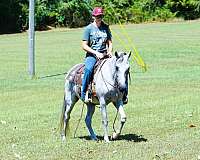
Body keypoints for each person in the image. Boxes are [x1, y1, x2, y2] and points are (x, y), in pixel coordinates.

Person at [81, 7, 113, 102]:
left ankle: (121, 93)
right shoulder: (88, 29)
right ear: (93, 16)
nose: (99, 18)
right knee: (88, 69)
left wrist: (110, 51)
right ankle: (84, 93)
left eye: (101, 16)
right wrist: (96, 53)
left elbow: (110, 42)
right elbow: (84, 45)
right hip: (92, 56)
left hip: (105, 55)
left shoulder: (106, 27)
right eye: (97, 16)